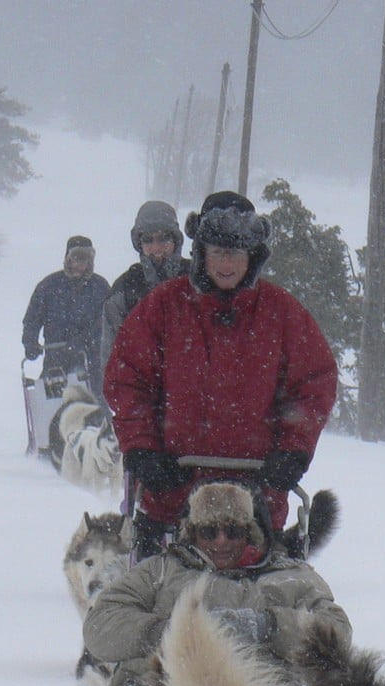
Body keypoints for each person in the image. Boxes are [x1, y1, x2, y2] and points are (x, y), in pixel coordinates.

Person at [83, 478, 351, 686]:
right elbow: (100, 625)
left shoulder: (291, 577)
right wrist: (171, 630)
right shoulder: (162, 572)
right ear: (192, 533)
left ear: (250, 531)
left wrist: (267, 625)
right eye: (209, 532)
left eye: (232, 531)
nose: (221, 541)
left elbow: (337, 631)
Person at [103, 190, 339, 560]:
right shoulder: (163, 307)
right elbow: (127, 380)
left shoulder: (282, 313)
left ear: (252, 256)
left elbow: (313, 385)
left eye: (236, 253)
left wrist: (293, 451)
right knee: (147, 610)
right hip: (171, 495)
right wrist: (142, 448)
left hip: (255, 505)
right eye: (217, 252)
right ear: (201, 254)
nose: (226, 263)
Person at [96, 201, 190, 382]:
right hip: (144, 400)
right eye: (148, 240)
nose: (156, 248)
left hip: (198, 399)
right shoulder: (124, 291)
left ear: (176, 240)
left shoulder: (198, 280)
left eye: (164, 238)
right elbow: (112, 365)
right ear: (139, 243)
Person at [22, 235, 111, 395]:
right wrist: (30, 342)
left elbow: (107, 323)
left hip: (90, 363)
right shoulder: (49, 286)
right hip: (55, 362)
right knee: (52, 411)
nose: (80, 264)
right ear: (68, 259)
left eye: (85, 259)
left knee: (93, 411)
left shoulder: (100, 288)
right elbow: (32, 319)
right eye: (76, 258)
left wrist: (85, 341)